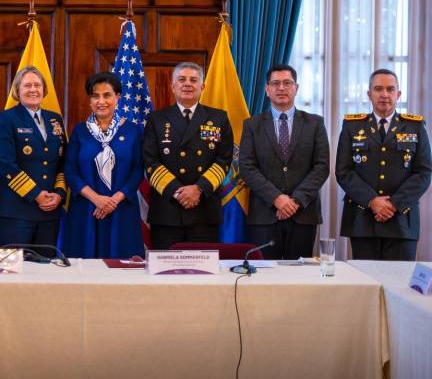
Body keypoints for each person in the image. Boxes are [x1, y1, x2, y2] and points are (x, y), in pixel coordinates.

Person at [336, 68, 432, 260]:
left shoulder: (415, 126)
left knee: (400, 286)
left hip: (402, 221)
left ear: (399, 94)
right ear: (369, 94)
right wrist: (373, 201)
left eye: (390, 89)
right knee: (365, 286)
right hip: (362, 220)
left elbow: (424, 172)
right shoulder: (352, 126)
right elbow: (343, 171)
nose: (384, 94)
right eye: (378, 89)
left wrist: (393, 205)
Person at [239, 64, 330, 259]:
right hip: (264, 215)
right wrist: (277, 198)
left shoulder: (315, 123)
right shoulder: (252, 125)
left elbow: (321, 167)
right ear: (267, 89)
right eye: (275, 83)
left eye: (287, 83)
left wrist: (295, 201)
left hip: (303, 215)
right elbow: (247, 167)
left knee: (299, 280)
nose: (281, 88)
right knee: (264, 279)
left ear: (296, 88)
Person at [142, 62, 233, 249]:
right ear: (173, 86)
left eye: (193, 80)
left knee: (203, 275)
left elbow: (224, 160)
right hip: (168, 210)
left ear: (202, 87)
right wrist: (178, 192)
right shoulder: (157, 119)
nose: (187, 84)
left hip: (204, 210)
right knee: (164, 275)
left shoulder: (218, 118)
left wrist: (198, 189)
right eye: (181, 80)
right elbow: (150, 161)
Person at [62, 72, 144, 258]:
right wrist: (96, 199)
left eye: (107, 95)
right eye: (95, 96)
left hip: (121, 209)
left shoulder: (132, 130)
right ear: (90, 100)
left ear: (117, 97)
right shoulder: (79, 131)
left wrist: (113, 200)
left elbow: (137, 170)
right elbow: (70, 170)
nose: (101, 101)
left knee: (122, 268)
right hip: (86, 209)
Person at [0, 66, 66, 252]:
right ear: (17, 90)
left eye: (37, 85)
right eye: (27, 85)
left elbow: (62, 162)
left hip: (50, 211)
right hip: (16, 211)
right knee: (13, 271)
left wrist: (59, 193)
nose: (33, 89)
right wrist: (36, 195)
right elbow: (4, 164)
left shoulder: (55, 119)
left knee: (47, 271)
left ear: (44, 89)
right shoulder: (7, 118)